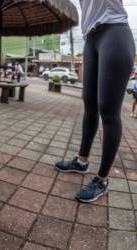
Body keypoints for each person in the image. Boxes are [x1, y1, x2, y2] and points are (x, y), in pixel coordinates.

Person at [55, 0, 135, 203]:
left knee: (108, 110)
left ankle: (102, 179)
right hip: (91, 38)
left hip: (115, 32)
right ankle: (82, 162)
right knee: (89, 105)